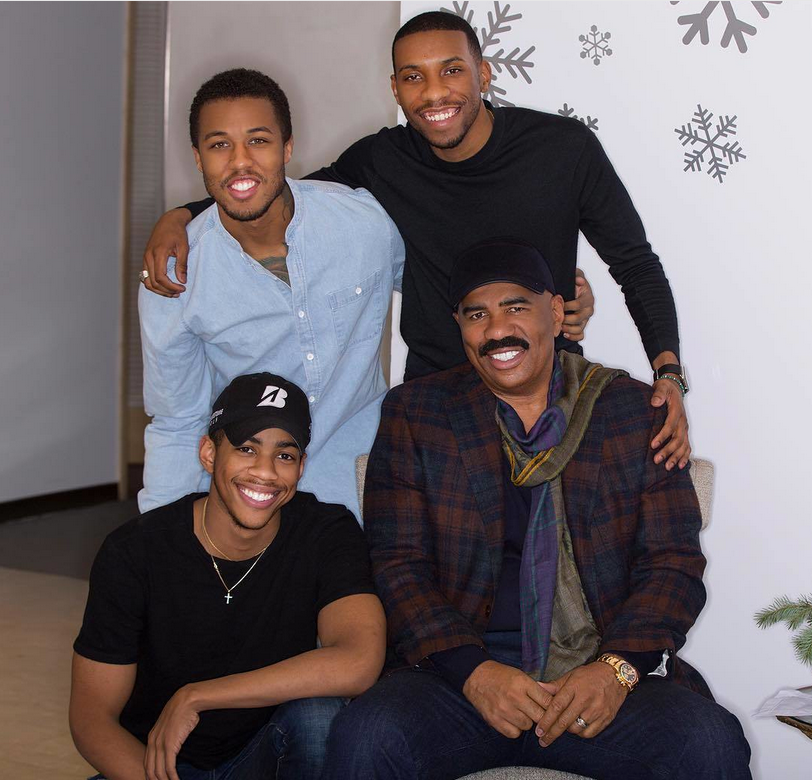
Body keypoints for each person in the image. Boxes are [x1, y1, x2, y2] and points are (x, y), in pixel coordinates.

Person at [141, 11, 690, 471]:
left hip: (548, 390)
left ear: (483, 73)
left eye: (451, 70)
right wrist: (181, 216)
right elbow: (274, 190)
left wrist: (667, 372)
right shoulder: (382, 161)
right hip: (437, 403)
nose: (434, 93)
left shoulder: (562, 149)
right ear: (395, 89)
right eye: (413, 77)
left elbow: (635, 264)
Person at [317, 239, 755, 780]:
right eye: (477, 314)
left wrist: (616, 671)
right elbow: (398, 565)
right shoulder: (418, 413)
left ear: (554, 311)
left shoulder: (631, 411)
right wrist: (473, 672)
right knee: (364, 739)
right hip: (459, 685)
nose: (497, 329)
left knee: (711, 744)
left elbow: (672, 564)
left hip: (596, 680)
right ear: (460, 327)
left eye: (515, 307)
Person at [64, 372, 385, 780]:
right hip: (156, 770)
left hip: (263, 763)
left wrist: (197, 696)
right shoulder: (135, 550)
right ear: (209, 453)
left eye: (284, 454)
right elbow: (91, 720)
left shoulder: (326, 532)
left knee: (317, 719)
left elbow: (359, 660)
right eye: (247, 449)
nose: (265, 472)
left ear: (301, 467)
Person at [138, 68, 404, 518]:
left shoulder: (363, 225)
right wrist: (160, 533)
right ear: (198, 158)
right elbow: (177, 421)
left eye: (258, 141)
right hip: (251, 498)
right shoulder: (177, 272)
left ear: (287, 147)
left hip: (363, 484)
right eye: (219, 145)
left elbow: (437, 295)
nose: (239, 162)